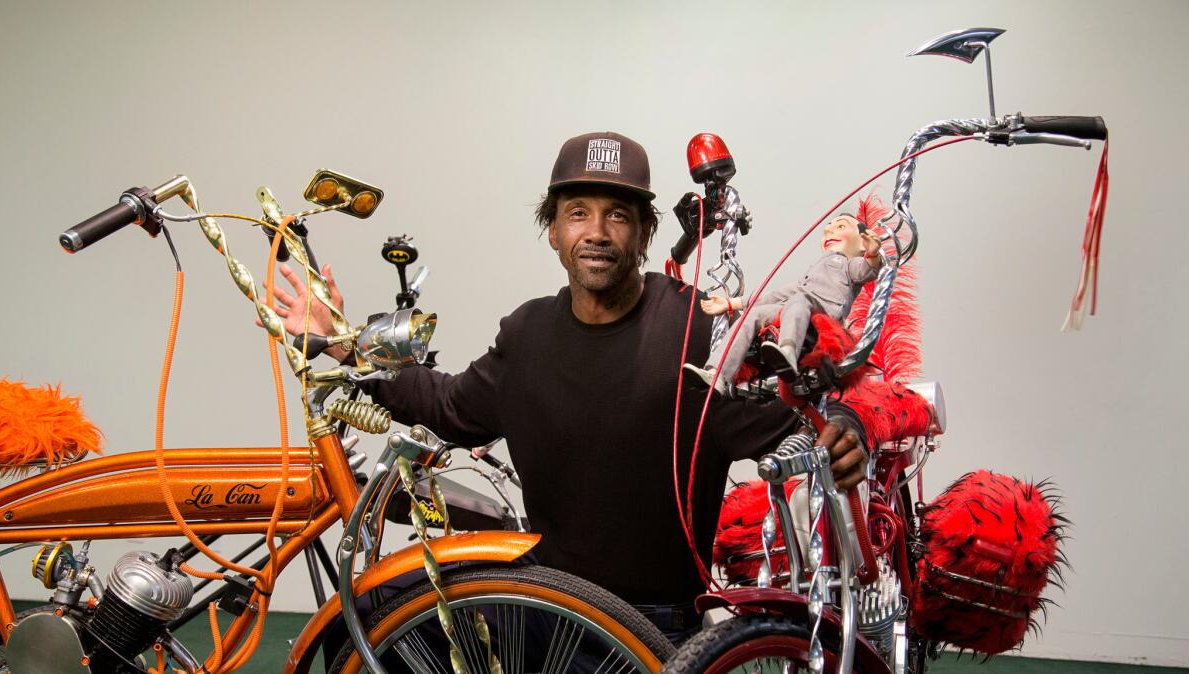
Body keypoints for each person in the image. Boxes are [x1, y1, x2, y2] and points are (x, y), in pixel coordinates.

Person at [265, 131, 868, 644]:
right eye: (578, 213)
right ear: (552, 231)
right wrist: (343, 342)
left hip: (654, 625)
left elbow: (796, 410)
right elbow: (449, 406)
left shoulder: (697, 330)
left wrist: (844, 429)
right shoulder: (527, 334)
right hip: (546, 602)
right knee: (368, 614)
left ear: (643, 234)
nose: (597, 232)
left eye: (619, 215)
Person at [683, 212, 883, 394]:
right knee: (753, 315)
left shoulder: (848, 265)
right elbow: (775, 295)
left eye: (841, 226)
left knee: (798, 300)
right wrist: (731, 303)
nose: (830, 230)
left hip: (824, 312)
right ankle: (718, 373)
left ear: (861, 245)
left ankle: (788, 351)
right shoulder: (811, 274)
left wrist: (873, 255)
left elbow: (865, 271)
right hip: (798, 306)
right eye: (827, 229)